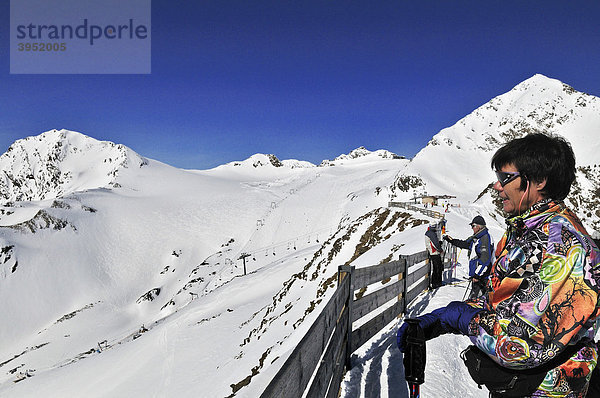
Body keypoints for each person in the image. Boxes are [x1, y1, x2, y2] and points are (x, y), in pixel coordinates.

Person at [397, 133, 599, 397]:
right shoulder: (526, 231)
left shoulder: (562, 248)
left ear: (538, 181)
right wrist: (445, 317)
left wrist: (462, 318)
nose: (496, 186)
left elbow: (520, 345)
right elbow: (506, 302)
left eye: (505, 178)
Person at [443, 215, 493, 299]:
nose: (472, 228)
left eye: (473, 226)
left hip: (482, 277)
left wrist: (477, 275)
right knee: (475, 300)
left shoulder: (484, 239)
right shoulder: (477, 238)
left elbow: (485, 259)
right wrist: (452, 241)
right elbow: (466, 244)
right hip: (478, 276)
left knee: (476, 301)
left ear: (479, 227)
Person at [425, 223, 444, 288]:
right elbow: (434, 243)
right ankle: (436, 283)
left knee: (437, 268)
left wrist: (439, 243)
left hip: (433, 252)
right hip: (434, 253)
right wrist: (440, 249)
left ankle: (436, 283)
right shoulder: (431, 233)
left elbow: (433, 242)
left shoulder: (429, 232)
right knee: (437, 268)